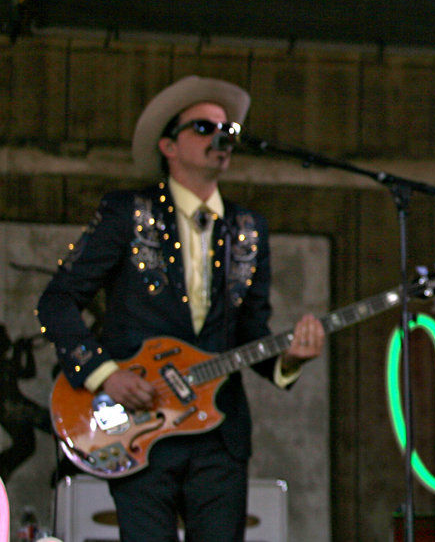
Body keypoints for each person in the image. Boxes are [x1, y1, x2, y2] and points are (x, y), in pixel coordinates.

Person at [36, 76, 325, 542]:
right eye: (204, 128)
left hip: (220, 434)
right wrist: (105, 374)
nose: (221, 138)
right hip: (137, 421)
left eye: (227, 130)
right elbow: (56, 301)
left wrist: (290, 360)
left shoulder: (249, 228)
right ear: (168, 145)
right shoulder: (126, 212)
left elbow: (252, 332)